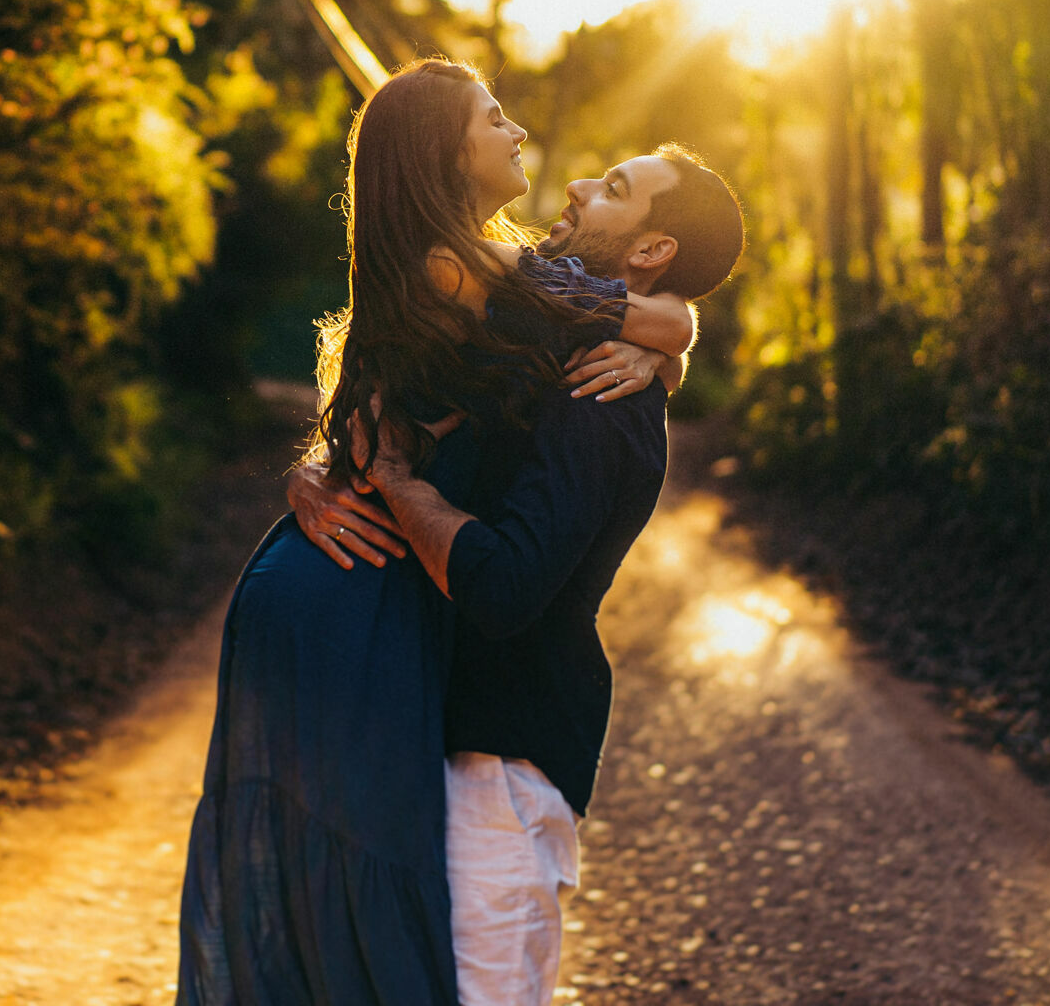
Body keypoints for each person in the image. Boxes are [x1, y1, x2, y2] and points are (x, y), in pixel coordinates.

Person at [174, 58, 697, 1006]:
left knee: (360, 932)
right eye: (494, 119)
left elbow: (598, 317)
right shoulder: (461, 269)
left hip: (354, 614)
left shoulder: (489, 283)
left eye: (612, 187)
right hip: (342, 612)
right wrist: (669, 339)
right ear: (443, 157)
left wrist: (666, 343)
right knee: (361, 923)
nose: (523, 137)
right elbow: (615, 310)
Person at [289, 145, 746, 1005]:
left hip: (501, 756)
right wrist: (318, 470)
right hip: (435, 739)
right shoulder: (539, 329)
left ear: (652, 251)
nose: (574, 185)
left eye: (613, 190)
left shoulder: (597, 393)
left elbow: (503, 588)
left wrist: (395, 481)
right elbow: (394, 406)